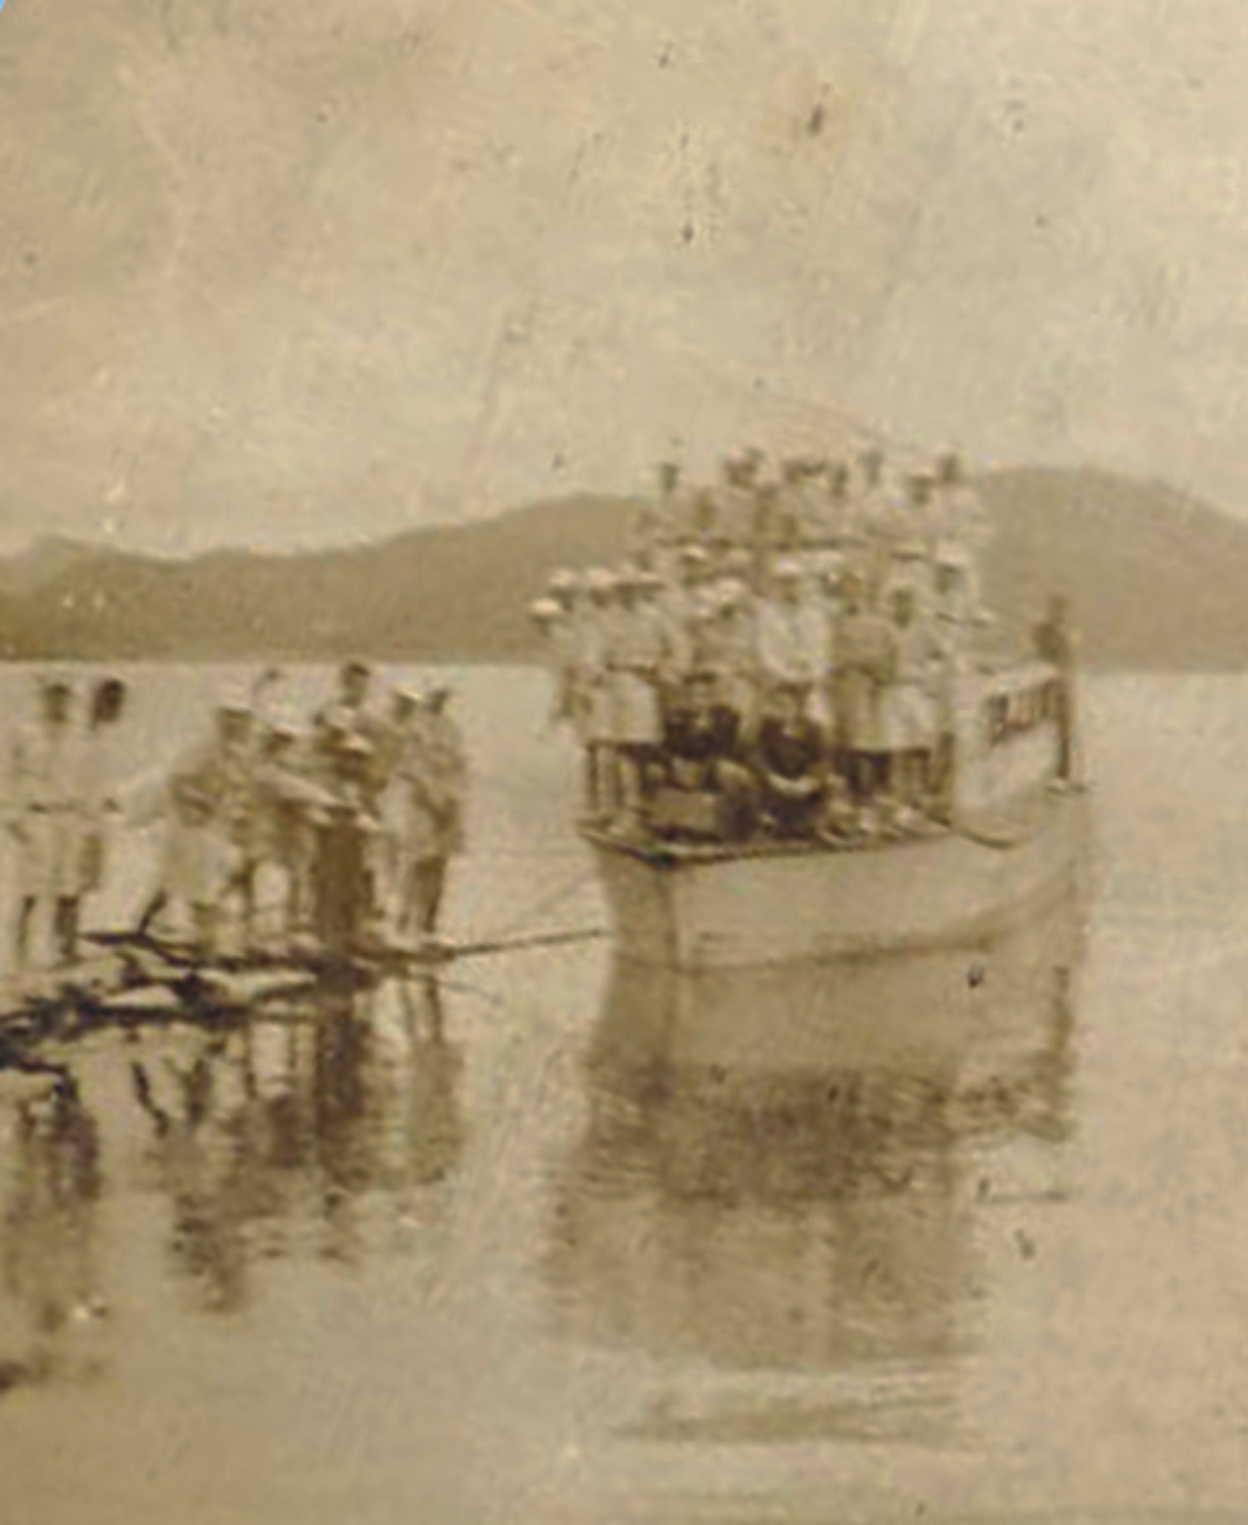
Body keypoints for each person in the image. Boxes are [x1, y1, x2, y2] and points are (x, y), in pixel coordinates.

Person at [136, 701, 256, 955]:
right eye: (231, 719)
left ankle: (202, 942)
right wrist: (203, 802)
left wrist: (235, 813)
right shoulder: (200, 751)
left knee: (201, 886)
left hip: (216, 831)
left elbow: (238, 793)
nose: (236, 726)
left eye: (241, 720)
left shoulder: (237, 756)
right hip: (189, 827)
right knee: (183, 885)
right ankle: (150, 932)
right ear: (220, 721)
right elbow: (177, 784)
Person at [6, 676, 84, 969]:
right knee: (30, 892)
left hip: (68, 818)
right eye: (53, 698)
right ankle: (20, 956)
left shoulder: (78, 738)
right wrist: (12, 818)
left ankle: (64, 952)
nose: (58, 704)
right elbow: (10, 776)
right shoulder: (26, 734)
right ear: (43, 700)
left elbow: (84, 780)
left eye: (64, 699)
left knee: (68, 890)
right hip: (37, 818)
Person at [392, 687, 468, 942]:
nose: (439, 700)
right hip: (421, 805)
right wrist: (431, 801)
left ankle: (428, 927)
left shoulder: (450, 729)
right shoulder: (413, 729)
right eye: (435, 695)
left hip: (447, 803)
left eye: (443, 696)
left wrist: (452, 803)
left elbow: (459, 768)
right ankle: (403, 923)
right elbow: (410, 769)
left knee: (439, 866)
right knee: (415, 864)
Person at [655, 670, 755, 841]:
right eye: (694, 696)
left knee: (731, 773)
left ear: (712, 697)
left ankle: (731, 831)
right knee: (660, 773)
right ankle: (676, 825)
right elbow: (668, 748)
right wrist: (676, 763)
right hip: (684, 771)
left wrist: (705, 730)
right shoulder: (677, 719)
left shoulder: (726, 717)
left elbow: (726, 750)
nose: (699, 701)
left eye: (704, 696)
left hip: (712, 769)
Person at [606, 569, 669, 833]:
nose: (627, 594)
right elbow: (598, 655)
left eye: (631, 589)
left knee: (647, 747)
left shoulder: (654, 617)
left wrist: (661, 672)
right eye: (622, 590)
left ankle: (651, 808)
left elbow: (676, 648)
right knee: (623, 750)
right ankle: (628, 809)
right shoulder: (610, 620)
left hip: (646, 684)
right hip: (619, 685)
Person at [831, 573, 895, 813]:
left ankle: (868, 797)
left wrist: (866, 664)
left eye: (856, 589)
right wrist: (845, 663)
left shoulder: (883, 625)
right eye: (846, 589)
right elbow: (834, 656)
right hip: (845, 687)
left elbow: (889, 661)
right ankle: (847, 797)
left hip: (871, 689)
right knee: (845, 740)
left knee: (868, 741)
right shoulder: (838, 620)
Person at [74, 677, 129, 949]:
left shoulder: (109, 735)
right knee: (79, 880)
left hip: (100, 818)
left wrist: (113, 799)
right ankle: (69, 938)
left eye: (119, 703)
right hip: (84, 819)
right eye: (113, 702)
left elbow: (108, 777)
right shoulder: (87, 736)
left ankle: (79, 933)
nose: (118, 708)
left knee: (93, 878)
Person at [883, 583, 938, 827]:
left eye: (906, 600)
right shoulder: (886, 626)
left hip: (916, 688)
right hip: (892, 690)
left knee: (921, 744)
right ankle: (898, 802)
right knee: (897, 747)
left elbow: (938, 655)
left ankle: (920, 800)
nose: (902, 605)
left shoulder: (924, 627)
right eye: (898, 600)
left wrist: (928, 679)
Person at [750, 679, 829, 838]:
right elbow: (757, 755)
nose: (781, 710)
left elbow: (821, 761)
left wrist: (808, 782)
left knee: (828, 788)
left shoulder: (813, 730)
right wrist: (773, 778)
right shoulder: (767, 727)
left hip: (801, 785)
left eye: (786, 705)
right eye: (777, 705)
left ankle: (807, 821)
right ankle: (769, 820)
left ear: (798, 707)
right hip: (774, 783)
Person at [756, 559, 823, 706]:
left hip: (810, 681)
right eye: (784, 583)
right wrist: (787, 676)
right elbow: (765, 651)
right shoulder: (766, 614)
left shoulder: (814, 615)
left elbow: (821, 650)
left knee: (818, 715)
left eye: (793, 582)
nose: (789, 587)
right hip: (777, 681)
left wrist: (811, 675)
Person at [1032, 594, 1079, 783]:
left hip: (1063, 683)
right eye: (1056, 610)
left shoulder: (1066, 632)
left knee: (1065, 728)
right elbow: (1040, 650)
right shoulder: (1044, 630)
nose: (1059, 614)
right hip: (1046, 681)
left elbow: (1068, 659)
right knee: (1046, 724)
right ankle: (1053, 770)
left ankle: (1063, 772)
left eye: (1062, 611)